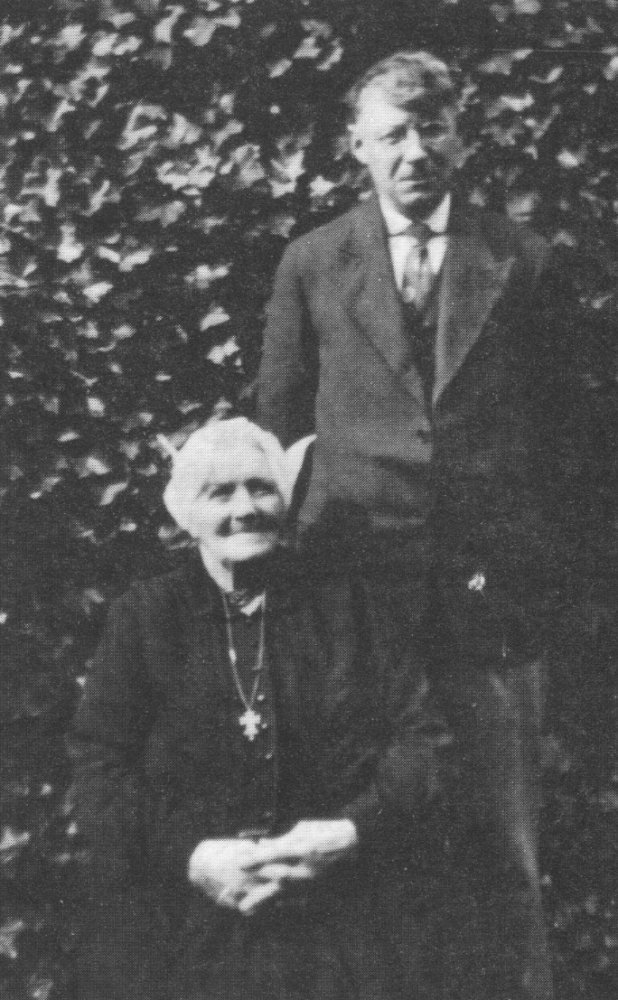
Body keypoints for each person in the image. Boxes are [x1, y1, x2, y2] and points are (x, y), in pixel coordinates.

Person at [256, 50, 591, 1000]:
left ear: (462, 138)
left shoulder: (522, 260)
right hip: (351, 602)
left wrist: (538, 579)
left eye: (432, 128)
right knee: (352, 847)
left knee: (503, 848)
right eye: (393, 133)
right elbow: (280, 431)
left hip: (489, 606)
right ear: (356, 146)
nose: (415, 151)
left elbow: (573, 442)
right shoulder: (314, 262)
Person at [67, 416, 449, 1000]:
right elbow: (100, 768)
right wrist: (193, 857)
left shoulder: (348, 607)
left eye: (261, 488)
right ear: (186, 513)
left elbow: (423, 740)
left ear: (286, 500)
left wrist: (351, 830)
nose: (245, 508)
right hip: (185, 926)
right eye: (220, 493)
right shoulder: (144, 619)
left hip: (341, 921)